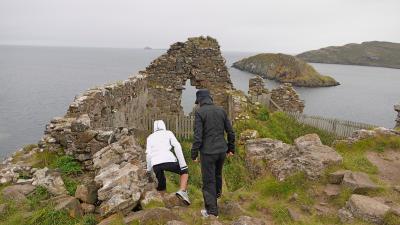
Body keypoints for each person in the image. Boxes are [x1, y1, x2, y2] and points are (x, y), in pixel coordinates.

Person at [191, 89, 235, 218]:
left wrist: (194, 154)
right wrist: (231, 149)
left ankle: (212, 212)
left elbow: (198, 137)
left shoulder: (199, 112)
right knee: (217, 175)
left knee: (208, 181)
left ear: (200, 101)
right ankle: (216, 199)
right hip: (222, 151)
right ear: (210, 99)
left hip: (208, 153)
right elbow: (230, 132)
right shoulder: (221, 110)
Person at [146, 120, 190, 205]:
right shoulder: (169, 133)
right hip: (169, 160)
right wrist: (183, 164)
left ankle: (163, 201)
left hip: (156, 164)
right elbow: (177, 146)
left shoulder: (150, 137)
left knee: (161, 182)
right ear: (164, 125)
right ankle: (182, 191)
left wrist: (148, 169)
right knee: (184, 172)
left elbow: (148, 154)